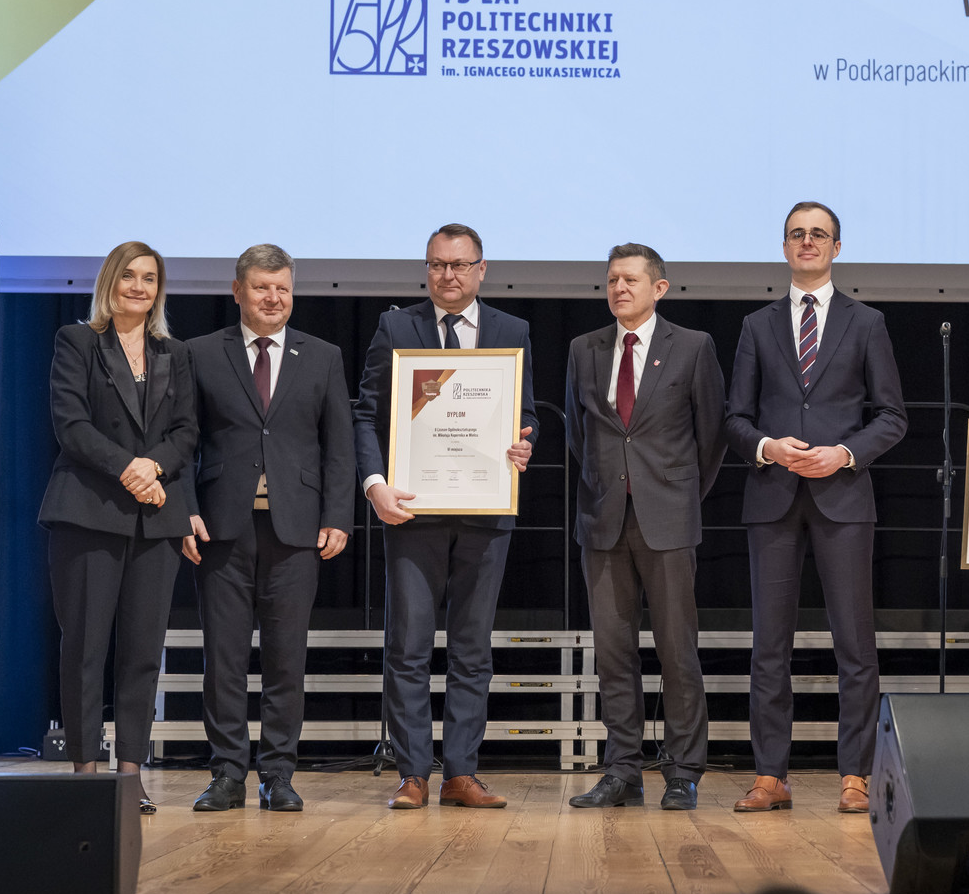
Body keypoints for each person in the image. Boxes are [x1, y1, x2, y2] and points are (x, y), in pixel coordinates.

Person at [724, 202, 907, 814]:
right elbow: (735, 419)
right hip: (772, 498)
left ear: (836, 247)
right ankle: (769, 776)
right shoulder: (756, 325)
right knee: (769, 646)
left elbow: (892, 416)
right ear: (784, 247)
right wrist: (767, 447)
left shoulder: (867, 322)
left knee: (855, 645)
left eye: (818, 234)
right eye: (797, 234)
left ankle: (855, 775)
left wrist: (845, 454)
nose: (807, 242)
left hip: (843, 499)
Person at [353, 223, 537, 810]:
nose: (447, 275)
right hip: (412, 510)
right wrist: (375, 485)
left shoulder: (512, 330)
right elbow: (366, 414)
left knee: (472, 650)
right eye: (437, 264)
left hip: (485, 512)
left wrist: (524, 445)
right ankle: (412, 773)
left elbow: (526, 414)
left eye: (459, 265)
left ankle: (461, 773)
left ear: (482, 269)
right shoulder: (396, 327)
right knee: (407, 648)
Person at [182, 244, 356, 812]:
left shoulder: (322, 355)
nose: (273, 298)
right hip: (221, 530)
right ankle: (227, 774)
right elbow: (182, 441)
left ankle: (278, 774)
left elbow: (339, 446)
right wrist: (184, 510)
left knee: (286, 660)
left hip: (297, 531)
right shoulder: (200, 353)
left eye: (283, 288)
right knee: (224, 660)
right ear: (238, 291)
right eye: (262, 287)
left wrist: (338, 516)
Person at [564, 244, 727, 810]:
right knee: (614, 654)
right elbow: (578, 434)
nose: (619, 288)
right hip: (603, 519)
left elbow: (712, 435)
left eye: (630, 279)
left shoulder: (693, 346)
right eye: (612, 279)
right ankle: (622, 771)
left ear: (659, 288)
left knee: (677, 651)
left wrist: (675, 494)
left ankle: (682, 772)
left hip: (668, 518)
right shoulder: (584, 348)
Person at [38, 241, 197, 813]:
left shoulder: (174, 352)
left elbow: (186, 431)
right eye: (128, 275)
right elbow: (71, 424)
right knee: (85, 648)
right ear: (110, 281)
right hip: (87, 514)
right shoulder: (78, 340)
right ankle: (86, 776)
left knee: (142, 653)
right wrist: (131, 469)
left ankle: (130, 777)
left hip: (155, 521)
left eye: (149, 278)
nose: (138, 286)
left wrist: (153, 468)